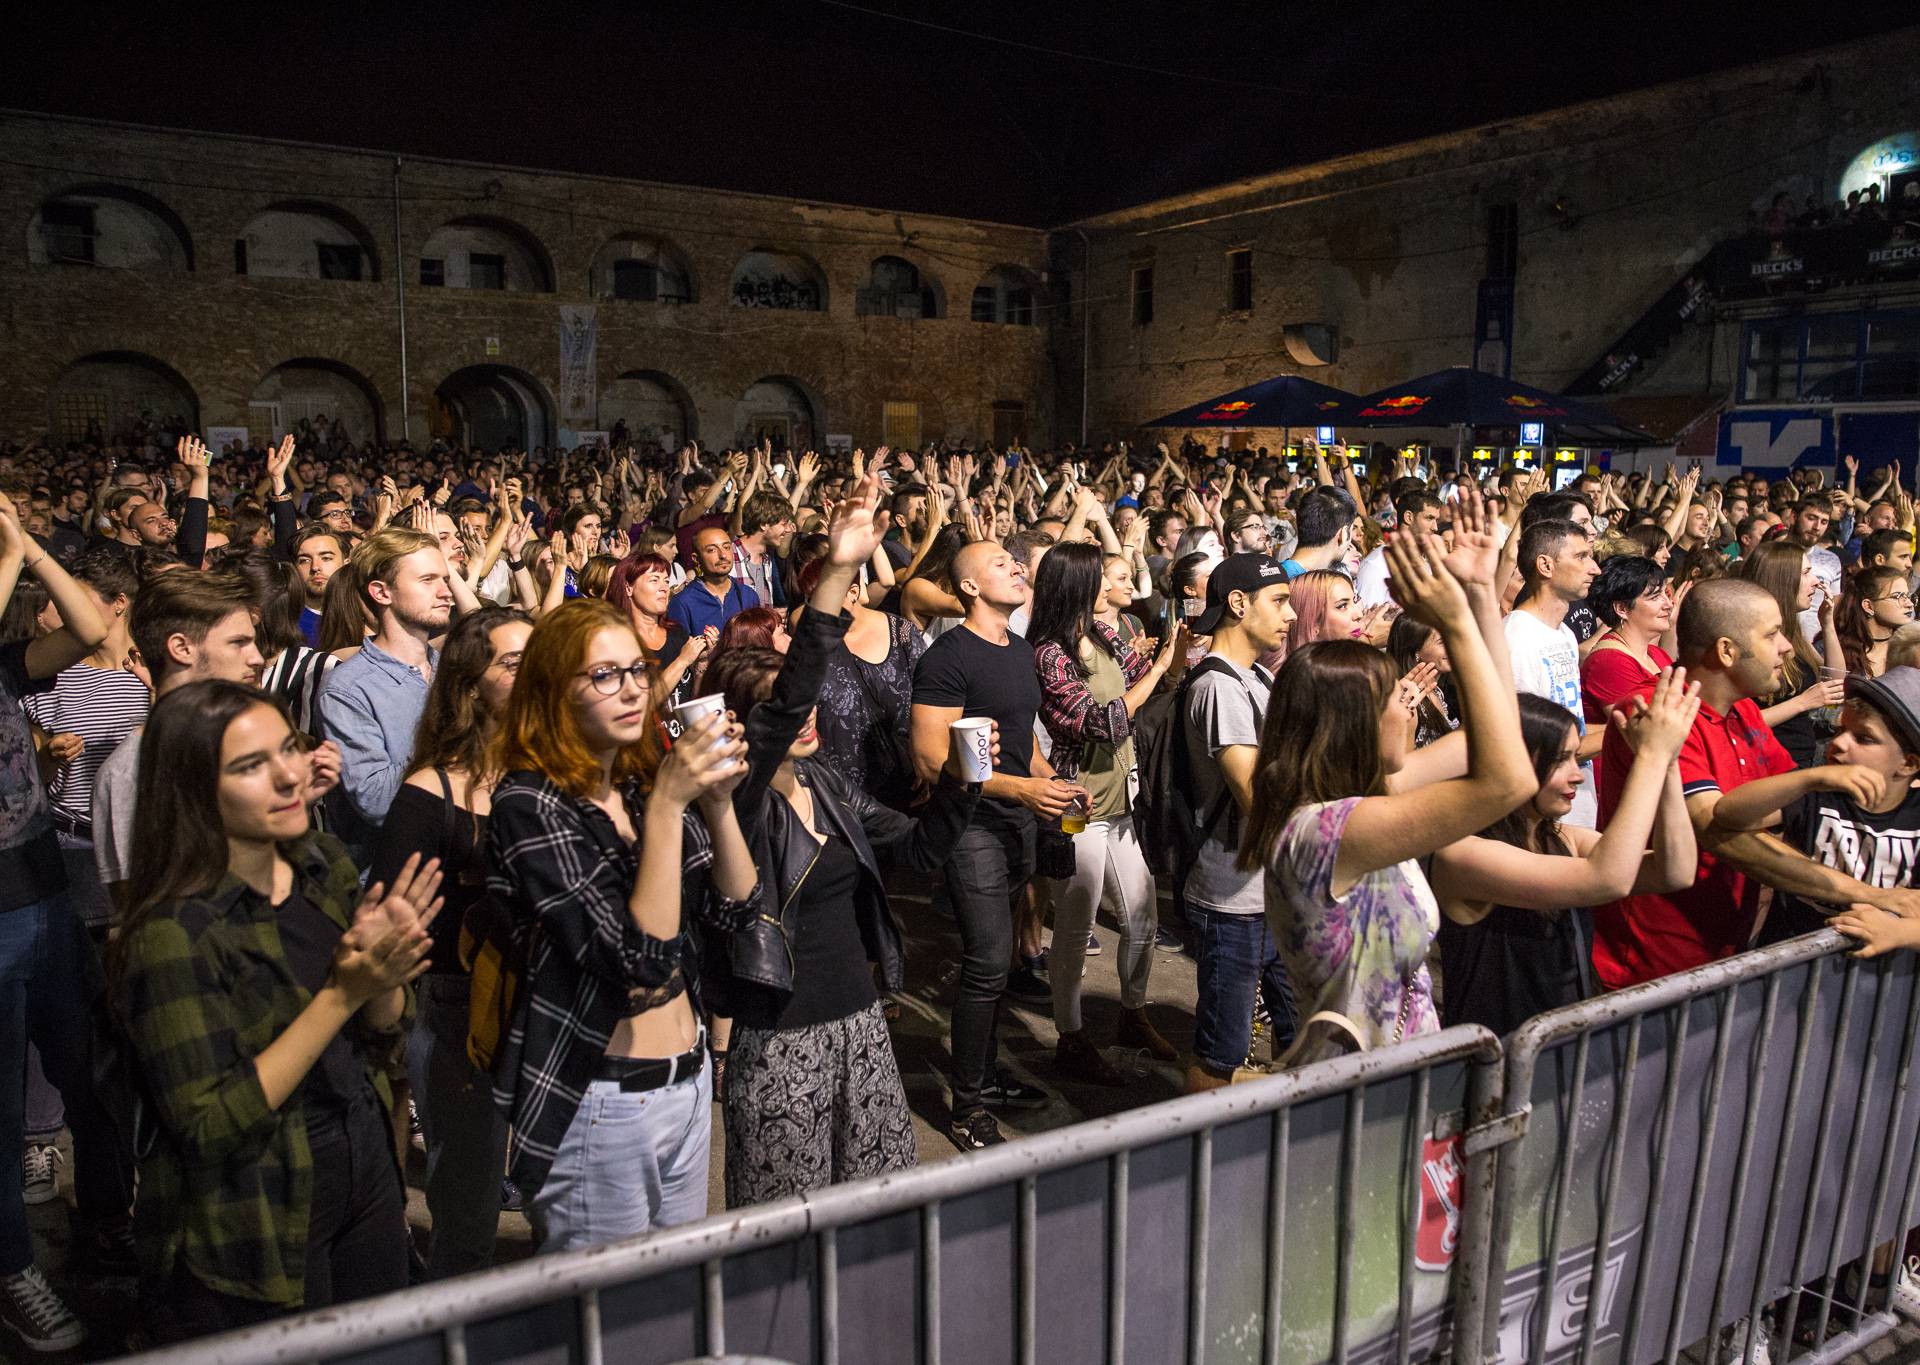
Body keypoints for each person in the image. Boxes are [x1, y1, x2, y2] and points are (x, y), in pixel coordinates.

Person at [113, 681, 427, 1339]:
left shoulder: (320, 862)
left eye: (288, 747)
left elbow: (384, 1038)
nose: (290, 773)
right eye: (251, 765)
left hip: (361, 1153)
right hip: (258, 1201)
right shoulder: (172, 932)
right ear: (195, 789)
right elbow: (209, 1126)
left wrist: (384, 975)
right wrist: (340, 994)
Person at [706, 470, 977, 1204]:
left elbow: (917, 851)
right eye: (785, 711)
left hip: (860, 1023)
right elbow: (795, 686)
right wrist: (840, 567)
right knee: (787, 1225)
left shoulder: (826, 782)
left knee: (876, 1208)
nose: (808, 712)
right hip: (782, 1037)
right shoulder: (742, 797)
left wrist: (965, 782)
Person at [486, 599, 760, 1250]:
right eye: (604, 674)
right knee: (606, 1324)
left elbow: (737, 909)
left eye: (636, 669)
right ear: (554, 690)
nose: (633, 686)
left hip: (688, 1081)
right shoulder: (528, 803)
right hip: (602, 1099)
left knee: (673, 1300)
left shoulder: (639, 783)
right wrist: (669, 802)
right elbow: (636, 958)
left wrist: (718, 803)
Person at [1246, 490, 1535, 1065]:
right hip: (1359, 1101)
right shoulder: (1329, 831)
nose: (1407, 704)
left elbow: (1502, 728)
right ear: (1352, 726)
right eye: (1391, 699)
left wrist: (1479, 597)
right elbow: (1509, 780)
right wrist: (1452, 622)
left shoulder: (1367, 796)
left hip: (1401, 1079)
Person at [1589, 579, 1920, 989]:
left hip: (1723, 949)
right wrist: (1870, 895)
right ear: (1727, 650)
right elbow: (1714, 829)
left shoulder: (1742, 710)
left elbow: (1785, 805)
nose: (1786, 646)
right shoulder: (1655, 712)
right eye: (1772, 634)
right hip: (1652, 963)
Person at [0, 512, 131, 1357]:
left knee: (93, 1068)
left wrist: (30, 549)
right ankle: (14, 1269)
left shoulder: (8, 670)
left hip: (46, 892)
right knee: (3, 1102)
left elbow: (91, 626)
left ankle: (111, 1223)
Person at [367, 606, 531, 1280]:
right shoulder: (424, 796)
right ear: (470, 685)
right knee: (467, 1222)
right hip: (463, 1012)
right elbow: (393, 927)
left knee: (565, 1207)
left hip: (550, 1004)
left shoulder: (549, 773)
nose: (538, 674)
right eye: (517, 663)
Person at [910, 540, 1085, 1150]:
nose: (1017, 567)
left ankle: (982, 1075)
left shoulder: (1018, 650)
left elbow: (1022, 744)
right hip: (972, 829)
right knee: (986, 964)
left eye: (1017, 562)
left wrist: (1050, 784)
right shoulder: (948, 658)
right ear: (969, 588)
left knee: (1001, 964)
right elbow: (932, 760)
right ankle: (967, 1106)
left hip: (1014, 821)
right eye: (1001, 564)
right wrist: (1021, 792)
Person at [1433, 685, 1697, 1036]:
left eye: (1576, 757)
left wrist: (1669, 764)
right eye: (1559, 760)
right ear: (1509, 763)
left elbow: (1674, 871)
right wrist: (1649, 758)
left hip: (1562, 1056)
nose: (1578, 774)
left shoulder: (1560, 836)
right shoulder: (1460, 853)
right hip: (1494, 1070)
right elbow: (1607, 878)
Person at [1028, 541, 1187, 1082]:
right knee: (1075, 925)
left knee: (1143, 915)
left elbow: (1153, 677)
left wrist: (1177, 654)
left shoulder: (1105, 634)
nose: (1108, 582)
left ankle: (1133, 1014)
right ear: (1076, 584)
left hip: (1119, 799)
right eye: (1099, 575)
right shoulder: (1049, 651)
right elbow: (1099, 722)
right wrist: (1161, 664)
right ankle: (1071, 1036)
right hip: (1075, 801)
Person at [1178, 552, 1298, 1090]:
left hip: (1265, 892)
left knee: (1299, 1033)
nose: (1290, 615)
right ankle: (1196, 1165)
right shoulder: (1220, 687)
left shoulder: (1255, 678)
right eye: (1279, 602)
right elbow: (1257, 798)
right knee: (1221, 1055)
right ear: (1238, 603)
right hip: (1231, 901)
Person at [93, 572, 271, 913]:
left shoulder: (250, 742)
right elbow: (142, 912)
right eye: (238, 643)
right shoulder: (133, 771)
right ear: (181, 648)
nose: (257, 657)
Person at [1706, 668, 1920, 950]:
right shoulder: (1819, 795)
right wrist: (1808, 778)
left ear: (1908, 764)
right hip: (1790, 970)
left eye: (1864, 738)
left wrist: (1901, 933)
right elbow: (1728, 814)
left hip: (1879, 982)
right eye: (1841, 730)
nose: (1839, 743)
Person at [20, 550, 148, 929]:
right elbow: (37, 779)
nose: (68, 611)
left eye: (79, 600)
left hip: (148, 845)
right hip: (77, 849)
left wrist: (159, 695)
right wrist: (50, 758)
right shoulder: (51, 678)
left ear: (120, 604)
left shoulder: (159, 667)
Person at [317, 527, 455, 859]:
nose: (445, 592)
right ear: (381, 592)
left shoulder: (451, 673)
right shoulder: (348, 689)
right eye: (427, 580)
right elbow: (376, 799)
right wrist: (459, 743)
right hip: (394, 881)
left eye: (446, 579)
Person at [798, 555, 927, 814]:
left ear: (853, 592)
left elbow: (930, 702)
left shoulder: (901, 634)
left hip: (911, 783)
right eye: (812, 602)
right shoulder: (812, 647)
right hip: (846, 796)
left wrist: (929, 763)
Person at [1505, 519, 1601, 827]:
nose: (1595, 568)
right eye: (1581, 557)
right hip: (1540, 814)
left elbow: (1575, 724)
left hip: (1576, 800)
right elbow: (1530, 743)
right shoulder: (1516, 637)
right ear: (1546, 565)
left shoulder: (1565, 634)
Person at [1736, 539, 1846, 768]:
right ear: (1783, 580)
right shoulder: (1751, 641)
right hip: (1770, 764)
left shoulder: (1793, 633)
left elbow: (1836, 682)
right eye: (1806, 573)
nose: (1816, 582)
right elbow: (1740, 723)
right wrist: (1803, 702)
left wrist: (1827, 625)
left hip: (1802, 758)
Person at [608, 550, 709, 737]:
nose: (664, 588)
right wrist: (682, 661)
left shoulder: (677, 633)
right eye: (654, 580)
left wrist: (701, 663)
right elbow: (642, 704)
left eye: (666, 581)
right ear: (628, 588)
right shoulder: (621, 643)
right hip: (649, 750)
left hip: (684, 746)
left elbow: (690, 697)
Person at [668, 525, 760, 638]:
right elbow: (680, 652)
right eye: (711, 550)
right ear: (696, 559)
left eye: (726, 547)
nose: (723, 555)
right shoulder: (683, 602)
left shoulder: (748, 596)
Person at [1837, 565, 1913, 678]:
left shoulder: (1912, 646)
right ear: (1868, 606)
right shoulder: (1838, 648)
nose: (1909, 604)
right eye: (1896, 597)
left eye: (1907, 596)